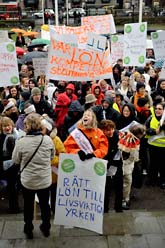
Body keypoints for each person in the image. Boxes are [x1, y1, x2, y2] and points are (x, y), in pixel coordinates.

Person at [12, 113, 55, 239]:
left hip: (28, 181)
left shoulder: (21, 142)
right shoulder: (47, 140)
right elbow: (51, 157)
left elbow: (16, 160)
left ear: (27, 126)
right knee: (45, 204)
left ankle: (28, 228)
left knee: (28, 204)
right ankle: (46, 227)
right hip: (44, 180)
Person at [40, 114, 66, 214]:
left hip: (54, 173)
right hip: (42, 174)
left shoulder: (56, 140)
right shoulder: (37, 139)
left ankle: (55, 210)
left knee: (54, 193)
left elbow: (63, 155)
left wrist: (49, 160)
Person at [118, 124, 146, 209]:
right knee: (127, 181)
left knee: (126, 181)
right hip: (126, 163)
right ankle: (125, 199)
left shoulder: (129, 137)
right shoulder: (130, 140)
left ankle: (125, 198)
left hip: (130, 163)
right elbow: (128, 155)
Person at [100, 120, 123, 213]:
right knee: (106, 188)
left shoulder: (119, 136)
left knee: (119, 186)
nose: (111, 132)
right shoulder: (101, 139)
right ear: (103, 131)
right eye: (107, 130)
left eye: (112, 129)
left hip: (117, 164)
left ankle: (118, 207)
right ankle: (105, 208)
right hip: (106, 164)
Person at [0, 116, 19, 213]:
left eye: (8, 125)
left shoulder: (17, 136)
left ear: (12, 126)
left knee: (13, 188)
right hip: (3, 166)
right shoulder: (2, 138)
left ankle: (14, 208)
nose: (7, 128)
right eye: (4, 126)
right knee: (11, 187)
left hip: (14, 166)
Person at [145, 102, 165, 188]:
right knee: (153, 164)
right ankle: (152, 179)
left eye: (160, 109)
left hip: (163, 147)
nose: (157, 110)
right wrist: (154, 131)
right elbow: (145, 129)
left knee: (163, 165)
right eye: (156, 108)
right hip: (152, 145)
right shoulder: (150, 118)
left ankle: (163, 181)